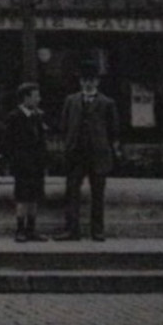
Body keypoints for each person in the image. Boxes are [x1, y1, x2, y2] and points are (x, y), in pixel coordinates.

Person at [57, 60, 121, 241]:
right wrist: (68, 146)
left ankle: (98, 231)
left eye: (91, 80)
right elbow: (64, 125)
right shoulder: (71, 101)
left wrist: (108, 148)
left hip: (98, 155)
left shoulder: (107, 103)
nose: (87, 83)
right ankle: (71, 230)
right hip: (76, 154)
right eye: (85, 80)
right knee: (71, 192)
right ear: (80, 82)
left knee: (98, 194)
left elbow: (113, 129)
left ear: (97, 82)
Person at [4, 82, 49, 242]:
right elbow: (8, 144)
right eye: (36, 96)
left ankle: (31, 229)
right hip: (22, 166)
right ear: (26, 97)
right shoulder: (14, 117)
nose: (39, 99)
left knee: (34, 198)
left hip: (37, 165)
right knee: (22, 198)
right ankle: (20, 230)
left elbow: (42, 141)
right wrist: (14, 164)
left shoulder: (38, 116)